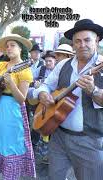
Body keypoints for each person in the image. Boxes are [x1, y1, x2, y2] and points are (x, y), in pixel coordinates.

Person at [33, 19, 103, 180]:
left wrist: (93, 90)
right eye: (77, 41)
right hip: (58, 135)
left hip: (89, 141)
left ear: (97, 40)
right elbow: (45, 86)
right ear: (73, 44)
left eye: (87, 40)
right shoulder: (63, 64)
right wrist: (43, 94)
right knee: (55, 176)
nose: (82, 45)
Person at [0, 34, 36, 180]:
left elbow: (21, 99)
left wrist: (11, 83)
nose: (9, 48)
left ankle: (9, 176)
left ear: (20, 49)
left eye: (12, 45)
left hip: (11, 109)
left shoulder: (25, 69)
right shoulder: (1, 65)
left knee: (10, 142)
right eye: (7, 46)